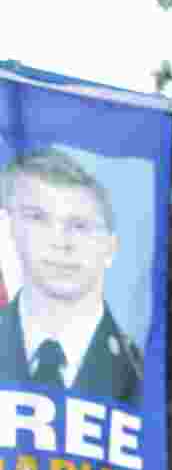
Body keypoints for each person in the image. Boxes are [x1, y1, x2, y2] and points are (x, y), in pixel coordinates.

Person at [0, 147, 142, 403]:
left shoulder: (141, 374)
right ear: (10, 231)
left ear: (110, 248)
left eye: (80, 226)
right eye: (39, 219)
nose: (60, 242)